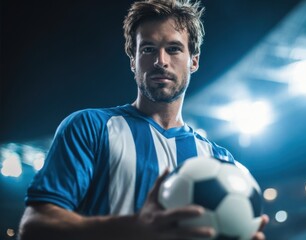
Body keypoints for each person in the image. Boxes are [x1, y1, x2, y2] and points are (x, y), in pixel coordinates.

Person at [18, 0, 269, 239]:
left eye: (173, 49)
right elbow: (34, 226)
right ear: (133, 62)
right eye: (148, 49)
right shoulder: (90, 128)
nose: (161, 61)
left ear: (194, 61)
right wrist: (131, 229)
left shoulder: (221, 160)